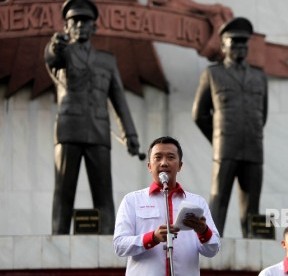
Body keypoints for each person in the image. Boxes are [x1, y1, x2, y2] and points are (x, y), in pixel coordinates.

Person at [44, 0, 140, 234]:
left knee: (103, 192)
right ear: (66, 27)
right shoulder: (62, 52)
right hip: (69, 129)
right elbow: (51, 58)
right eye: (74, 21)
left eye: (85, 21)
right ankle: (58, 238)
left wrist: (130, 134)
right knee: (64, 192)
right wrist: (53, 46)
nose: (79, 25)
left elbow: (119, 100)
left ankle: (109, 239)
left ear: (94, 27)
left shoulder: (107, 61)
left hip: (98, 131)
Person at [192, 17, 268, 237]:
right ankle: (212, 243)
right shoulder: (213, 74)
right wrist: (218, 139)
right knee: (219, 200)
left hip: (253, 148)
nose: (240, 47)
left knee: (252, 205)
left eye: (243, 43)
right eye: (234, 42)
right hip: (225, 148)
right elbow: (199, 114)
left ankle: (255, 247)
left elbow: (262, 114)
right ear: (223, 45)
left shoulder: (259, 76)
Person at [113, 136, 220, 275]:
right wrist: (152, 238)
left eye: (170, 157)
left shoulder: (197, 202)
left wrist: (203, 231)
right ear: (149, 166)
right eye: (158, 157)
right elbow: (119, 246)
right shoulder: (132, 201)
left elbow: (213, 250)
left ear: (180, 165)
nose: (164, 163)